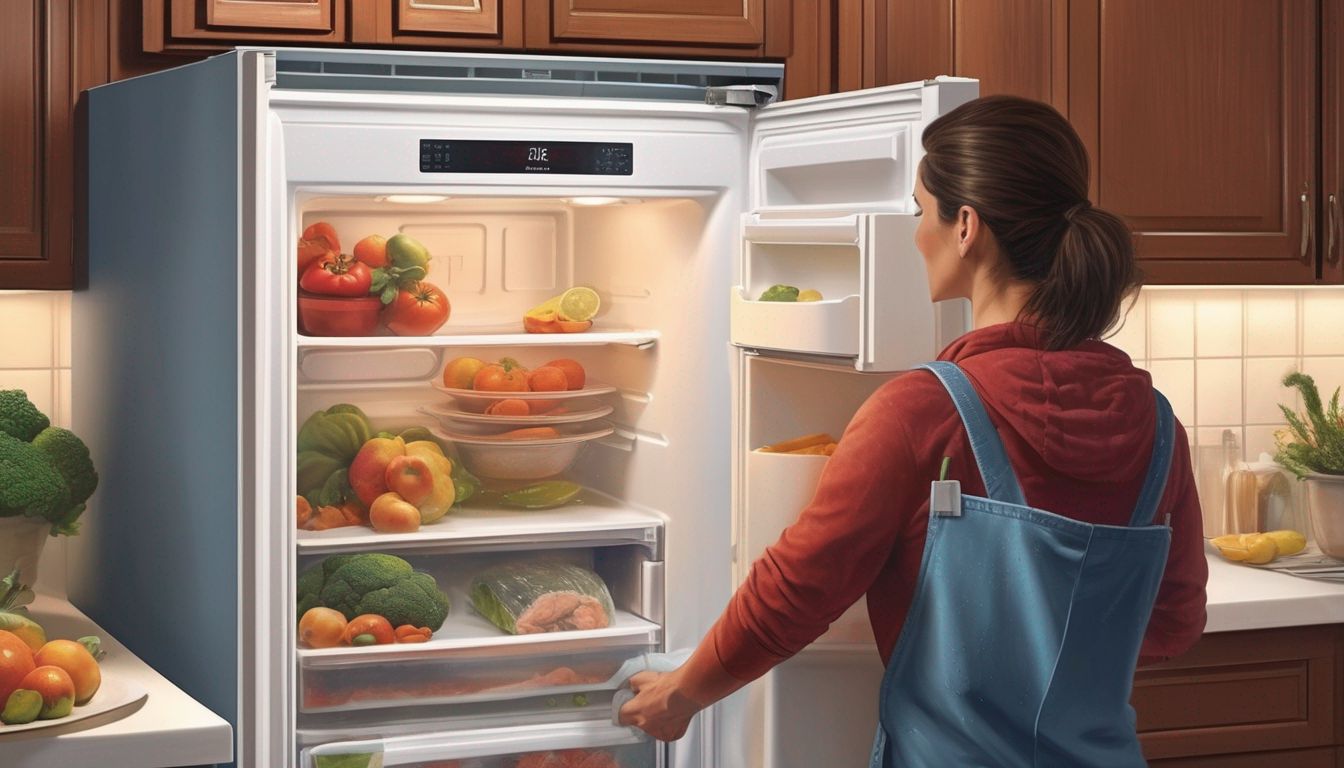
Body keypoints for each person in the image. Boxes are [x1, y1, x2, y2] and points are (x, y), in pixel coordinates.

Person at [617, 95, 1208, 765]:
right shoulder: (1158, 426)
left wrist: (683, 695)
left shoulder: (920, 413)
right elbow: (1171, 626)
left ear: (965, 227)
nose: (914, 231)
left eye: (919, 210)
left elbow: (798, 588)